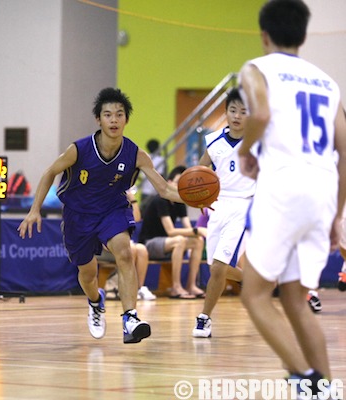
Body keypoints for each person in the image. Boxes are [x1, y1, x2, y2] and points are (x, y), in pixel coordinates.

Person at [237, 0, 346, 390]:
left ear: (264, 35)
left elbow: (261, 115)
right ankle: (326, 391)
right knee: (297, 301)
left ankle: (307, 380)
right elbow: (345, 150)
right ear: (303, 34)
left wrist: (245, 150)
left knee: (255, 295)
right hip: (322, 192)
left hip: (283, 186)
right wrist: (336, 215)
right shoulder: (327, 81)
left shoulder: (257, 68)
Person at [18, 87, 183, 344]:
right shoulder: (80, 149)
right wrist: (34, 209)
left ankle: (130, 317)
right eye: (108, 115)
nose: (114, 120)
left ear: (126, 119)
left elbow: (164, 189)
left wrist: (196, 197)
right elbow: (50, 172)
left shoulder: (136, 154)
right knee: (87, 273)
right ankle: (96, 302)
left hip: (112, 210)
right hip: (78, 216)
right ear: (99, 119)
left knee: (125, 252)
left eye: (119, 114)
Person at [192, 88, 255, 338]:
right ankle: (251, 281)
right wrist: (198, 195)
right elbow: (199, 169)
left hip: (245, 206)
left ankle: (204, 317)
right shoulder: (214, 140)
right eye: (233, 110)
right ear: (226, 112)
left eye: (244, 111)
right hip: (218, 207)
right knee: (214, 268)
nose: (237, 115)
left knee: (219, 267)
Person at [138, 165, 206, 299]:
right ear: (168, 183)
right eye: (178, 182)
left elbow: (188, 227)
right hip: (149, 244)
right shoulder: (160, 200)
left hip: (168, 244)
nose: (181, 186)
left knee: (198, 241)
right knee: (179, 240)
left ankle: (191, 285)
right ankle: (175, 287)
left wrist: (197, 233)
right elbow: (171, 231)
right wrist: (198, 229)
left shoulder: (180, 202)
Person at [97, 190, 156, 301]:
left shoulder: (121, 201)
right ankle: (114, 285)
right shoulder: (102, 201)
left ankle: (137, 287)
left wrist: (132, 199)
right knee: (130, 248)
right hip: (101, 244)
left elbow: (137, 218)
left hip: (119, 242)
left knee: (142, 249)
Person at [137, 139, 167, 217]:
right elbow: (162, 176)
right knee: (157, 215)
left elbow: (139, 174)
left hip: (145, 191)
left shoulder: (144, 158)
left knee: (144, 215)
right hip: (156, 191)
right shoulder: (161, 159)